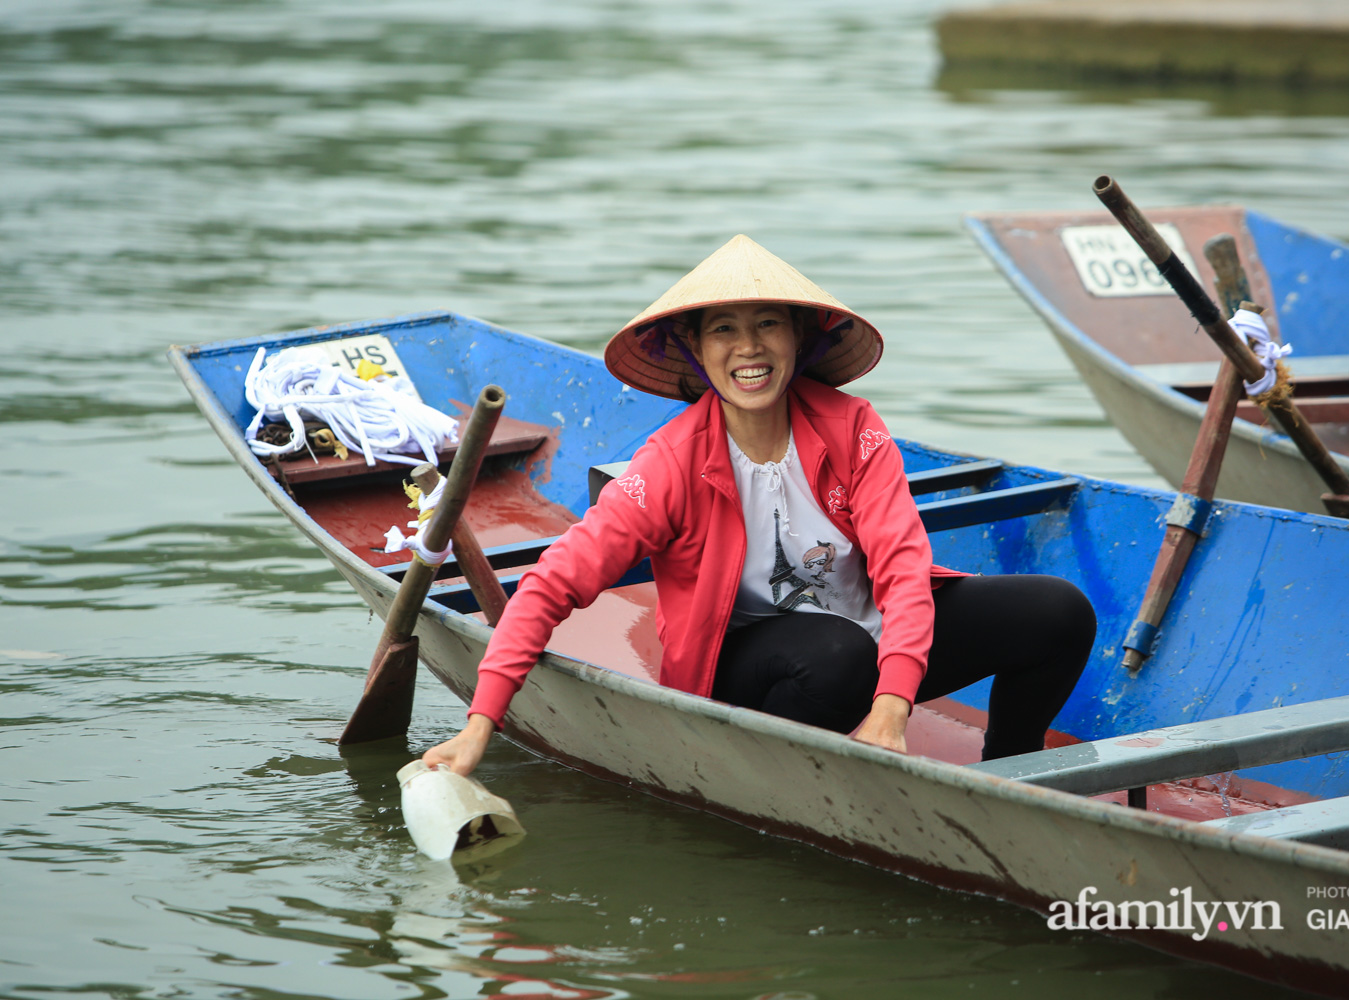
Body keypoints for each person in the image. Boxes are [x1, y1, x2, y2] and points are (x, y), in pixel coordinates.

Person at [423, 235, 1095, 775]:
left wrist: (893, 709)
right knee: (836, 653)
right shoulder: (669, 465)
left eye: (767, 324)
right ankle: (785, 775)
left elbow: (901, 567)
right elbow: (550, 587)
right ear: (697, 349)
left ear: (798, 340)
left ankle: (1012, 777)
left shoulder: (853, 426)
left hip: (869, 649)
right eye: (723, 329)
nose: (748, 348)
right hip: (751, 667)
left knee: (1057, 611)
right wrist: (481, 725)